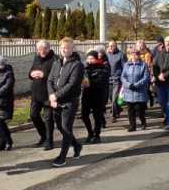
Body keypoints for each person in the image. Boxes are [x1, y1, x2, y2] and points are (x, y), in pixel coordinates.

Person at [48, 37, 84, 167]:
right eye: (63, 48)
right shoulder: (56, 63)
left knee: (66, 128)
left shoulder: (77, 65)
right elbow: (50, 80)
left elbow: (72, 84)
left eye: (67, 48)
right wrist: (51, 95)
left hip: (69, 101)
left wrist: (56, 96)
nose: (65, 50)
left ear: (72, 49)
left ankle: (62, 157)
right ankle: (76, 145)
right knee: (60, 127)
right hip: (56, 101)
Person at [28, 39, 56, 150]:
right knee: (33, 115)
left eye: (44, 49)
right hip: (36, 93)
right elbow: (30, 72)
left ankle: (49, 141)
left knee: (48, 119)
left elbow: (56, 76)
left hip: (48, 93)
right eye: (39, 49)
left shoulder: (54, 59)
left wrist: (44, 75)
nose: (42, 51)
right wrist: (32, 74)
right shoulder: (36, 58)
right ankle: (43, 135)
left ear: (48, 48)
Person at [81, 50, 109, 142]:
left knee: (97, 116)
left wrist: (90, 81)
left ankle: (97, 135)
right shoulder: (85, 68)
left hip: (98, 95)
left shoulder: (102, 68)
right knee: (84, 115)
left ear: (96, 59)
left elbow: (102, 81)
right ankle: (90, 133)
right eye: (88, 58)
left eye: (92, 58)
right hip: (87, 95)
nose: (89, 60)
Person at [120, 45, 150, 131]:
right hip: (129, 91)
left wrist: (136, 85)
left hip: (139, 91)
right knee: (130, 110)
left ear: (139, 55)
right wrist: (128, 85)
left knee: (140, 110)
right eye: (132, 53)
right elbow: (123, 77)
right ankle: (132, 126)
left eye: (136, 54)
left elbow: (146, 77)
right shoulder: (126, 65)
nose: (134, 55)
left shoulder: (143, 65)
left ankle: (143, 123)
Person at [105, 40, 125, 120]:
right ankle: (118, 109)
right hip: (108, 79)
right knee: (111, 97)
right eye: (109, 46)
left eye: (112, 46)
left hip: (117, 79)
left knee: (114, 98)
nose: (110, 47)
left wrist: (123, 78)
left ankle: (113, 116)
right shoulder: (106, 55)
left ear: (116, 46)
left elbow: (124, 67)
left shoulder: (120, 54)